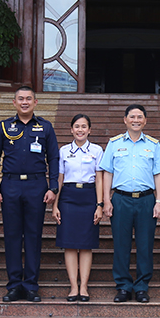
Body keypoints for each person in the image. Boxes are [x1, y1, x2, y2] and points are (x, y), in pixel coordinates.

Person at [0, 86, 59, 303]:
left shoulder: (45, 127)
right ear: (14, 102)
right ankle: (14, 285)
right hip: (9, 185)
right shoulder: (4, 126)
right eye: (21, 99)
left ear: (36, 102)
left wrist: (53, 186)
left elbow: (54, 158)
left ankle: (30, 286)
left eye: (29, 99)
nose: (25, 102)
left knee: (33, 236)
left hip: (37, 185)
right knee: (11, 236)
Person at [100, 104, 160, 303]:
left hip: (146, 200)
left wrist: (159, 200)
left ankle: (141, 287)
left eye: (140, 117)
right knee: (121, 245)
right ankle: (123, 286)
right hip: (120, 199)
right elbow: (107, 172)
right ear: (125, 120)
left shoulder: (153, 145)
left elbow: (159, 174)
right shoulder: (114, 143)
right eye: (132, 117)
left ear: (145, 121)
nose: (136, 120)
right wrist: (107, 200)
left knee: (145, 245)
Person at [51, 114, 103, 302]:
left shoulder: (97, 150)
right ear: (71, 129)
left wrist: (100, 205)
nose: (80, 130)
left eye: (84, 127)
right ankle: (73, 287)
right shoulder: (64, 150)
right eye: (77, 127)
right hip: (68, 198)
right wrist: (55, 205)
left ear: (89, 130)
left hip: (89, 197)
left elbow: (99, 179)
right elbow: (59, 179)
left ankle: (84, 287)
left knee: (87, 244)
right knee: (70, 245)